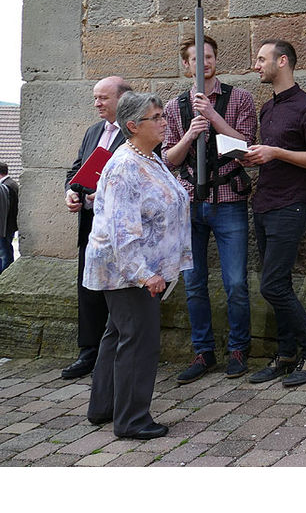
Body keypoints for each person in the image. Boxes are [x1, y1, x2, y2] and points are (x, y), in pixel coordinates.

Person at [83, 92, 192, 439]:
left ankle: (104, 407)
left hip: (140, 269)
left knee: (117, 335)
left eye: (162, 115)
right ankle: (131, 420)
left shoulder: (149, 156)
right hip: (128, 272)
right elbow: (122, 231)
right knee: (139, 341)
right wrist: (145, 275)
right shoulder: (125, 167)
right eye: (156, 117)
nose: (164, 122)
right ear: (133, 125)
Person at [163, 36, 258, 383]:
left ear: (216, 60)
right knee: (194, 283)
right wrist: (190, 134)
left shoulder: (240, 98)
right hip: (190, 202)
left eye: (209, 56)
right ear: (186, 66)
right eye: (196, 59)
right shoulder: (174, 108)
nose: (204, 62)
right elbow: (167, 160)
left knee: (235, 283)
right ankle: (203, 353)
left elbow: (246, 150)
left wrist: (214, 117)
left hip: (229, 201)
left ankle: (238, 349)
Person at [243, 39, 306, 387]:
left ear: (283, 62)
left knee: (273, 285)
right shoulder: (268, 109)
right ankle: (286, 355)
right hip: (264, 203)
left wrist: (276, 152)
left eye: (262, 59)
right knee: (277, 283)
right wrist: (253, 155)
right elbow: (272, 153)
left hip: (292, 204)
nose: (257, 65)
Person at [61, 76, 130, 379]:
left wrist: (103, 192)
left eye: (103, 98)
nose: (97, 104)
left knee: (116, 291)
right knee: (87, 289)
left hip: (118, 227)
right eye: (95, 98)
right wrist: (71, 192)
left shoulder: (133, 133)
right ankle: (87, 352)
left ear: (122, 99)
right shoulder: (93, 132)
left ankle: (113, 353)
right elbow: (75, 170)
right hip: (89, 225)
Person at [0, 162, 17, 274]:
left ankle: (6, 273)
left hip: (5, 225)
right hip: (8, 225)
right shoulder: (11, 183)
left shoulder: (7, 186)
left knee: (4, 253)